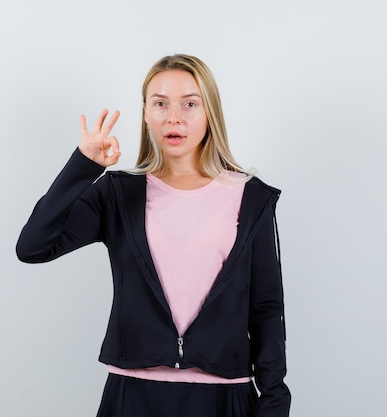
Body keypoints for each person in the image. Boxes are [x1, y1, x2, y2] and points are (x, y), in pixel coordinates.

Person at [16, 54, 291, 417]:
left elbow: (266, 309)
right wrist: (84, 165)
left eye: (189, 104)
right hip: (133, 395)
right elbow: (33, 246)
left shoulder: (250, 196)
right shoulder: (118, 194)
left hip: (226, 398)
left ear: (210, 113)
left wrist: (273, 402)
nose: (173, 116)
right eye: (160, 103)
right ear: (145, 113)